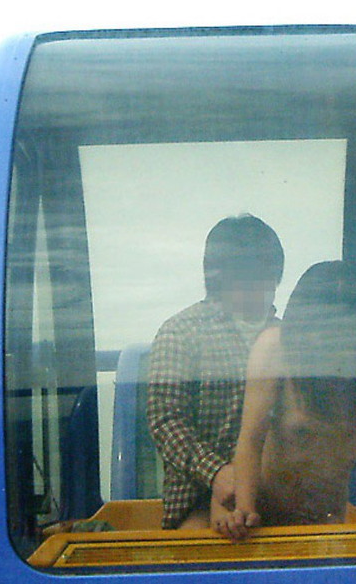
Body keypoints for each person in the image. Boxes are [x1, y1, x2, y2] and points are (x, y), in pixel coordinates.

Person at [212, 261, 356, 544]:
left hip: (323, 521)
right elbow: (250, 437)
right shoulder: (275, 348)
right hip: (264, 518)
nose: (331, 343)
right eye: (324, 330)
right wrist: (245, 508)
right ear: (303, 327)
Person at [147, 214, 284, 530]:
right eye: (246, 277)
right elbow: (165, 420)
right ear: (218, 277)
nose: (259, 288)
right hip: (199, 493)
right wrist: (217, 473)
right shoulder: (180, 332)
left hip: (276, 493)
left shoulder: (285, 336)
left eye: (267, 276)